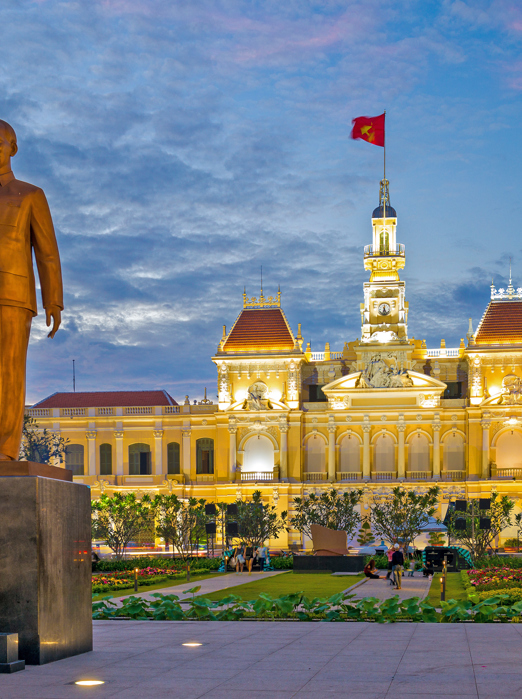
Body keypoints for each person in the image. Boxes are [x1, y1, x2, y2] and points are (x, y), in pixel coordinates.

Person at [0, 120, 63, 461]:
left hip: (13, 294)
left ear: (13, 147)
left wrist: (53, 299)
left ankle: (6, 450)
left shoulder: (30, 194)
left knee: (9, 373)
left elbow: (47, 251)